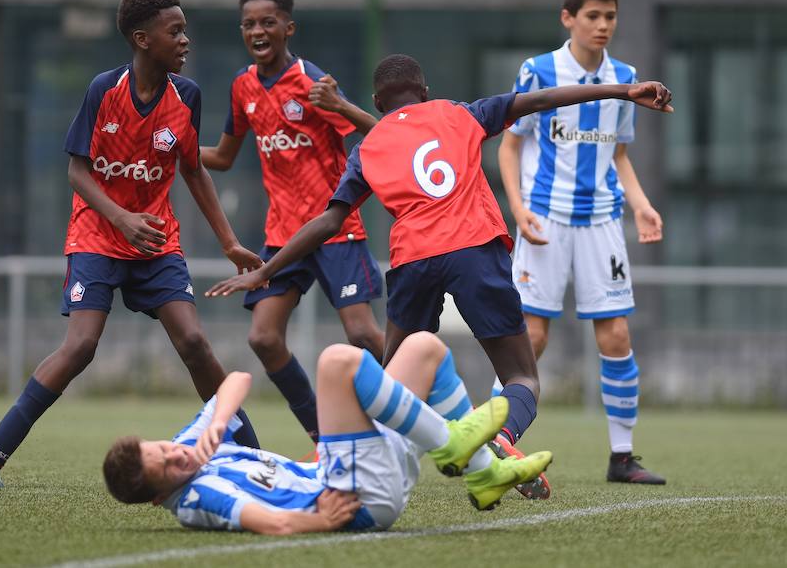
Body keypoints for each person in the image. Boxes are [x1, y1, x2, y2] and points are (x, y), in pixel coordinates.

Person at [207, 53, 673, 500]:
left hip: (413, 262)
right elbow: (541, 100)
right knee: (521, 378)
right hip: (474, 250)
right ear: (426, 92)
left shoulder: (369, 146)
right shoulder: (460, 114)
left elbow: (329, 221)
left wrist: (266, 270)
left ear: (376, 105)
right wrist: (623, 91)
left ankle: (341, 465)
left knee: (393, 381)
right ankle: (501, 439)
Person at [0, 0, 263, 489]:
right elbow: (78, 171)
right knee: (80, 347)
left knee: (193, 339)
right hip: (97, 237)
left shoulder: (186, 96)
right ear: (143, 40)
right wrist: (121, 218)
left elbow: (194, 171)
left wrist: (229, 242)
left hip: (155, 243)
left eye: (184, 30)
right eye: (175, 32)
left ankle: (253, 455)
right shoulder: (105, 89)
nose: (185, 40)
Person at [103, 331, 554, 532]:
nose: (174, 456)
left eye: (161, 448)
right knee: (337, 362)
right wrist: (318, 521)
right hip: (351, 495)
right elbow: (271, 522)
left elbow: (236, 380)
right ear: (161, 496)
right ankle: (454, 445)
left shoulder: (191, 447)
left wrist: (218, 422)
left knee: (424, 348)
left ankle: (485, 474)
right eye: (165, 467)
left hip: (352, 472)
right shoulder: (196, 500)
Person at [495, 0, 666, 485]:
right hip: (544, 218)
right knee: (531, 337)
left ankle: (622, 457)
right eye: (592, 15)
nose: (603, 25)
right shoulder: (539, 71)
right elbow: (509, 144)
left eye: (610, 16)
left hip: (601, 223)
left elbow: (617, 154)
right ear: (568, 18)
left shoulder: (626, 77)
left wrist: (640, 205)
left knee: (615, 335)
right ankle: (494, 443)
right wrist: (518, 209)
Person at [198, 0, 385, 443]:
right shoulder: (243, 86)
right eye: (249, 24)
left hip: (334, 228)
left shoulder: (310, 82)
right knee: (263, 338)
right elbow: (223, 156)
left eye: (268, 22)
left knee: (362, 333)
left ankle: (426, 406)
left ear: (288, 28)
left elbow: (379, 133)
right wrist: (175, 149)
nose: (258, 31)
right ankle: (324, 436)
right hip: (283, 234)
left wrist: (341, 105)